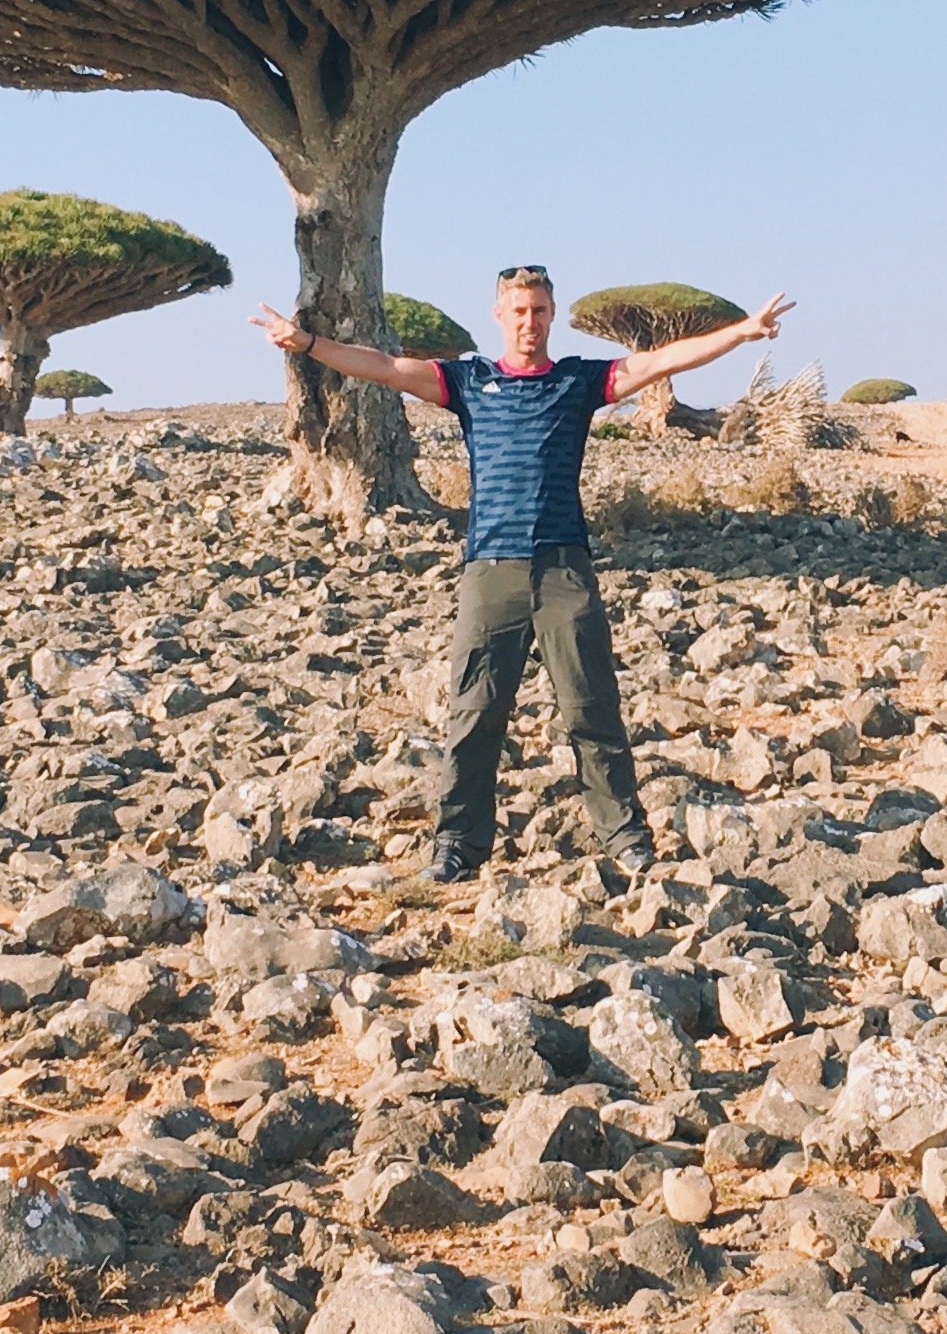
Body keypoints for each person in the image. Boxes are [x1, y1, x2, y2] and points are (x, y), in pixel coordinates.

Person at [255, 265, 788, 880]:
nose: (528, 322)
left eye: (537, 311)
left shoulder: (577, 381)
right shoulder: (469, 380)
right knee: (476, 711)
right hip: (491, 567)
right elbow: (384, 368)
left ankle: (623, 836)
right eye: (517, 312)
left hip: (565, 566)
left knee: (591, 706)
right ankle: (459, 844)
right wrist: (308, 345)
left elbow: (659, 362)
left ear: (551, 315)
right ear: (499, 316)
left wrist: (742, 332)